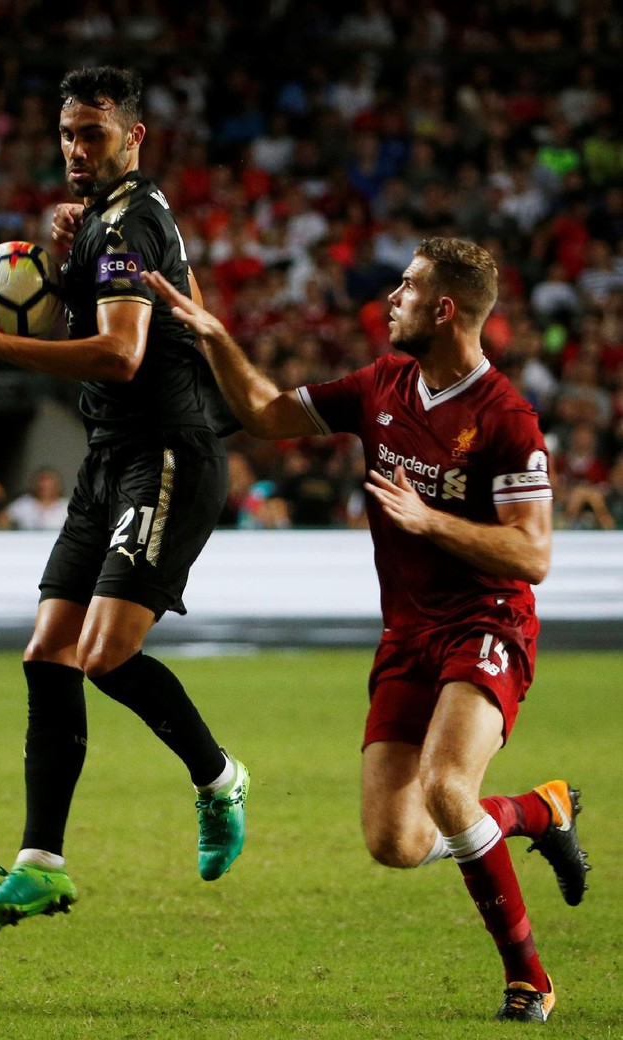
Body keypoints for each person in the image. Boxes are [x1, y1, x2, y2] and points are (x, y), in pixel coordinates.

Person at [142, 236, 590, 1023]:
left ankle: (530, 978)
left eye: (408, 288)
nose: (391, 298)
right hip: (407, 635)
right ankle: (539, 811)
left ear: (444, 309)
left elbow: (534, 552)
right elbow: (267, 414)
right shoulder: (382, 383)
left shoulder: (506, 417)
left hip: (487, 622)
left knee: (451, 790)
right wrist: (216, 338)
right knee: (398, 841)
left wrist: (431, 520)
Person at [0, 65, 249, 931]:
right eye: (67, 132)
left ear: (133, 136)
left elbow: (120, 355)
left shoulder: (129, 221)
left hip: (167, 457)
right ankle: (41, 864)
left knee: (102, 654)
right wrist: (66, 256)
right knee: (48, 651)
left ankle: (220, 779)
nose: (76, 147)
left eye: (92, 133)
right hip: (111, 458)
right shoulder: (112, 220)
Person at [0, 466, 70, 530]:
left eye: (49, 487)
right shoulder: (25, 503)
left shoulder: (66, 506)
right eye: (42, 486)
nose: (45, 490)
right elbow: (1, 521)